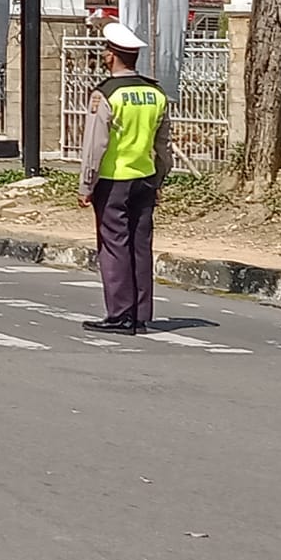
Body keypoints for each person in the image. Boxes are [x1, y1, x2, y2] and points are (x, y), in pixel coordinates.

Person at [78, 21, 171, 336]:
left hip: (113, 180)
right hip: (145, 178)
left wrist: (86, 186)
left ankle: (119, 315)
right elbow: (164, 145)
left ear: (110, 56)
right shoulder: (155, 93)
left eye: (106, 51)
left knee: (115, 246)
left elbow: (95, 146)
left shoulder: (106, 94)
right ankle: (142, 314)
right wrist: (159, 181)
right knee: (141, 246)